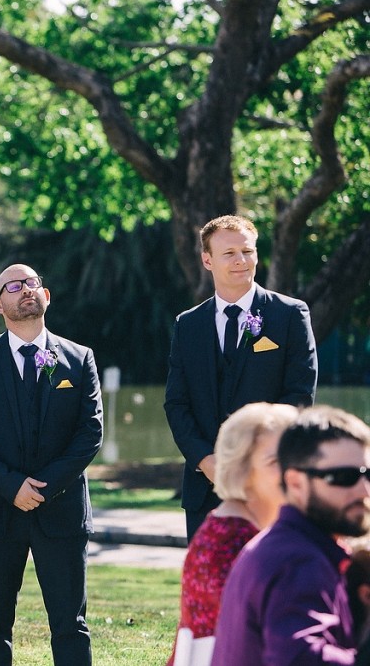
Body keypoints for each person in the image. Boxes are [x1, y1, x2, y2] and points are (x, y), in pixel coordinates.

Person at [0, 263, 103, 666]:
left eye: (33, 283)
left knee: (70, 623)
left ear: (46, 295)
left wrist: (42, 487)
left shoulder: (79, 358)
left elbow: (89, 433)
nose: (26, 290)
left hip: (62, 511)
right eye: (14, 286)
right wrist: (11, 487)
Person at [164, 214, 317, 540]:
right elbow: (177, 403)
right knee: (208, 591)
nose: (241, 261)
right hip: (204, 488)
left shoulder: (289, 315)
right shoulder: (187, 325)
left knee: (269, 587)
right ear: (207, 260)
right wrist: (205, 460)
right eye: (229, 253)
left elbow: (299, 396)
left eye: (247, 251)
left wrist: (255, 459)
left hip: (268, 484)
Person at [212, 405, 370, 665]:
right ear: (296, 483)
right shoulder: (297, 559)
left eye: (367, 475)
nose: (363, 491)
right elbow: (298, 657)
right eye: (343, 477)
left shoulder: (282, 545)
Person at [168, 402, 297, 666]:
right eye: (276, 461)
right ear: (242, 469)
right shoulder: (234, 545)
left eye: (297, 457)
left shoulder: (236, 528)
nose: (292, 471)